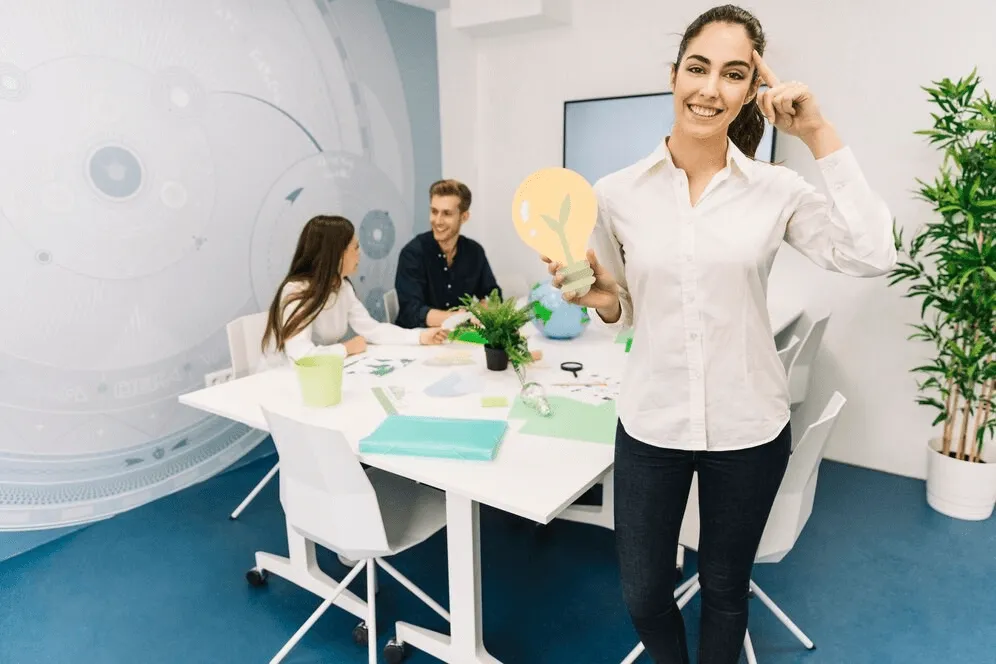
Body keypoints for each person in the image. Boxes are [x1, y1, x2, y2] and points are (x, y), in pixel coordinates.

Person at [544, 5, 896, 664]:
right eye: (699, 67)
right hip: (651, 422)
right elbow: (621, 302)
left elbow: (874, 253)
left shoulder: (776, 190)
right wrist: (601, 301)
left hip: (749, 426)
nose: (711, 88)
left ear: (750, 91)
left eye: (734, 74)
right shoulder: (616, 193)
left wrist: (818, 132)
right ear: (673, 74)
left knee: (726, 589)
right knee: (644, 593)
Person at [260, 215, 447, 367]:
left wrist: (420, 336)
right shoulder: (296, 291)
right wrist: (346, 348)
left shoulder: (341, 287)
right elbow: (302, 357)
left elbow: (372, 329)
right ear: (336, 254)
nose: (360, 254)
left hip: (324, 375)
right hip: (285, 380)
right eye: (355, 247)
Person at [394, 179, 501, 329]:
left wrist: (483, 309)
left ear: (464, 217)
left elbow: (493, 294)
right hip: (419, 342)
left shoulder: (474, 252)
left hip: (459, 340)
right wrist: (461, 318)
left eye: (447, 214)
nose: (438, 221)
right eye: (434, 211)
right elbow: (411, 312)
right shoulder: (412, 253)